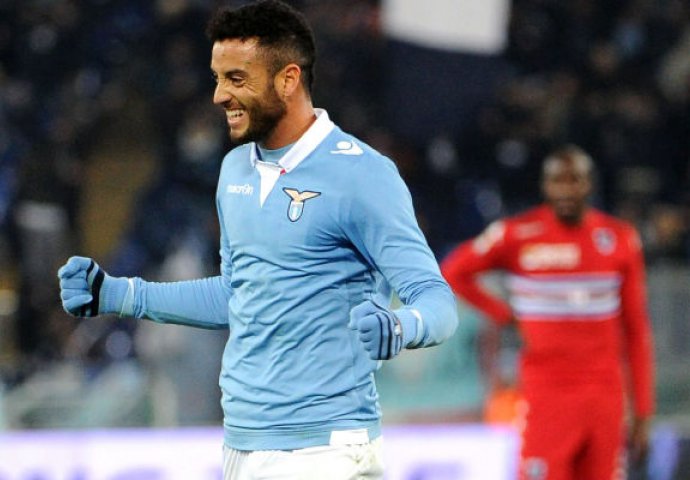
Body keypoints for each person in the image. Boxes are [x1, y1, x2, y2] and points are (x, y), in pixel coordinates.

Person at [57, 1, 458, 479]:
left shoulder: (361, 174)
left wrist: (402, 326)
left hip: (321, 448)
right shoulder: (234, 171)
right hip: (244, 443)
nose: (218, 96)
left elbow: (436, 300)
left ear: (288, 79)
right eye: (217, 78)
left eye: (236, 79)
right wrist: (119, 295)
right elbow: (239, 295)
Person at [441, 145, 655, 480]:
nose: (566, 189)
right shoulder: (518, 234)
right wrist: (502, 314)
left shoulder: (620, 240)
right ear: (545, 185)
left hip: (604, 397)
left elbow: (637, 332)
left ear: (590, 184)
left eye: (575, 180)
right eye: (558, 180)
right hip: (546, 396)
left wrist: (642, 411)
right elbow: (454, 271)